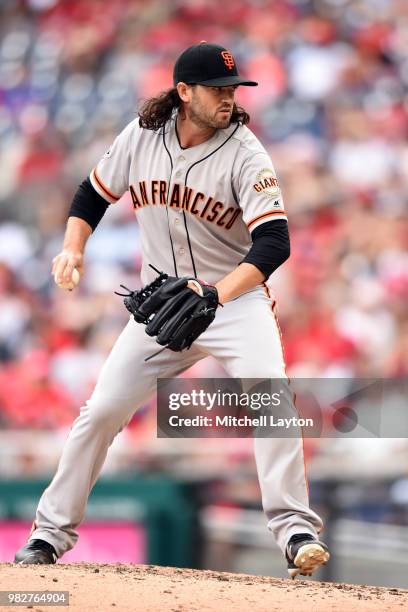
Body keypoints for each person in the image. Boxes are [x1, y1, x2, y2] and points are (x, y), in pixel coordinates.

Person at [15, 43, 329, 578]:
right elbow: (92, 195)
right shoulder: (140, 137)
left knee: (270, 394)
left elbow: (274, 244)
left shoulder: (245, 152)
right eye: (217, 89)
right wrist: (72, 247)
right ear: (184, 92)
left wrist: (216, 294)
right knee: (102, 410)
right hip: (161, 304)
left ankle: (294, 528)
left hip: (234, 300)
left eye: (234, 89)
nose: (229, 98)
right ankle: (47, 535)